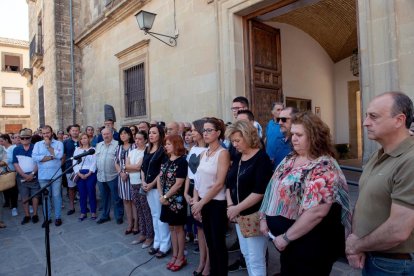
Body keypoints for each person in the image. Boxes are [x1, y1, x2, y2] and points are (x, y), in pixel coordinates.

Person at [259, 111, 351, 275]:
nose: (294, 138)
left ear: (315, 136)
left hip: (312, 245)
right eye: (292, 133)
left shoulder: (324, 166)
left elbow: (317, 211)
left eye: (299, 135)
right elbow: (272, 189)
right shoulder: (290, 158)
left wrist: (286, 237)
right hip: (288, 244)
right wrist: (264, 217)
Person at [345, 92, 414, 275]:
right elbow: (363, 201)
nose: (365, 122)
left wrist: (355, 245)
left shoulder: (410, 160)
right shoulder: (379, 154)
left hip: (395, 264)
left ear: (399, 120)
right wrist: (355, 238)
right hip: (372, 255)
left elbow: (398, 230)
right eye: (367, 115)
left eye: (373, 116)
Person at [225, 120, 273, 276]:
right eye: (232, 141)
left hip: (254, 216)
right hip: (238, 216)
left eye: (237, 140)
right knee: (246, 255)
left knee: (256, 259)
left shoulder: (261, 158)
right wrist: (231, 206)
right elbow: (229, 183)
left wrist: (235, 208)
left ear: (248, 136)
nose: (235, 144)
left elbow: (259, 191)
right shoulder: (239, 157)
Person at [192, 117, 230, 276]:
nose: (205, 133)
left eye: (209, 130)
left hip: (216, 204)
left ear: (218, 133)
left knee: (218, 244)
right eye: (204, 130)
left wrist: (201, 204)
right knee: (209, 242)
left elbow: (219, 183)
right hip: (203, 202)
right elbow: (197, 180)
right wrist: (196, 201)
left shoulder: (223, 153)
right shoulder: (204, 154)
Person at [158, 135, 188, 271]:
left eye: (169, 144)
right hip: (165, 199)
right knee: (171, 228)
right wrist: (161, 195)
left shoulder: (182, 162)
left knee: (178, 228)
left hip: (177, 201)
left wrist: (165, 196)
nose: (166, 146)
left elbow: (179, 184)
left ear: (176, 145)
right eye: (166, 144)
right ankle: (175, 255)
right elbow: (160, 178)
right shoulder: (166, 159)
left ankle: (181, 256)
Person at [184, 119, 210, 276]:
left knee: (206, 229)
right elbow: (189, 173)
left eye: (193, 130)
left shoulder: (209, 150)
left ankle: (209, 263)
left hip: (204, 191)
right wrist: (186, 192)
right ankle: (202, 260)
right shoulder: (193, 149)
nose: (191, 133)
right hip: (193, 189)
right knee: (199, 229)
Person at [141, 124, 171, 257]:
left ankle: (165, 245)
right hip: (147, 187)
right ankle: (157, 242)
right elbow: (143, 167)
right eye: (150, 133)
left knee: (160, 216)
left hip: (157, 188)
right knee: (154, 215)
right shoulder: (147, 149)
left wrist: (152, 183)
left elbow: (162, 171)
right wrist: (143, 182)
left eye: (154, 133)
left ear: (160, 135)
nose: (151, 135)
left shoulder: (162, 151)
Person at [32, 125, 64, 227]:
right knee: (45, 197)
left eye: (48, 133)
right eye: (44, 133)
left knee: (56, 196)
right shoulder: (37, 144)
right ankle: (47, 218)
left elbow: (59, 156)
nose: (46, 135)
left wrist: (49, 146)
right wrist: (51, 157)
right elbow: (35, 157)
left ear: (52, 132)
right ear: (41, 133)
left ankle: (58, 217)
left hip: (56, 174)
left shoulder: (58, 143)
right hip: (43, 175)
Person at [128, 131, 154, 248]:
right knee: (139, 209)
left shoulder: (146, 151)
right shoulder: (132, 151)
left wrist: (130, 167)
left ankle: (150, 236)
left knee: (146, 210)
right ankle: (143, 233)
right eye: (136, 139)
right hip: (132, 183)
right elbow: (126, 166)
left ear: (145, 140)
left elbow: (139, 167)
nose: (137, 141)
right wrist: (129, 167)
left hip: (141, 183)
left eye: (139, 139)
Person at [95, 127, 124, 224]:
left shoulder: (117, 144)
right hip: (101, 176)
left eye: (108, 134)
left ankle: (119, 216)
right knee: (104, 198)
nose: (106, 136)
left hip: (113, 176)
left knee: (116, 198)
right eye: (104, 134)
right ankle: (105, 215)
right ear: (101, 135)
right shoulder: (99, 145)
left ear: (112, 134)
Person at [13, 129, 40, 224]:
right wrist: (24, 175)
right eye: (22, 138)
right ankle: (27, 215)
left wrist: (32, 174)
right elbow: (15, 164)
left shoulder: (35, 148)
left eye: (27, 138)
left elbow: (38, 162)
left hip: (34, 176)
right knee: (24, 196)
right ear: (20, 139)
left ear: (30, 138)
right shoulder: (16, 149)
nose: (24, 139)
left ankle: (35, 214)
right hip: (22, 177)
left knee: (35, 196)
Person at [115, 127, 136, 234]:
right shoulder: (118, 147)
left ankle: (136, 224)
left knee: (133, 200)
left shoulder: (134, 147)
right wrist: (121, 173)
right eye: (121, 134)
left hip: (132, 176)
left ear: (129, 135)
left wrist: (127, 173)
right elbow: (116, 162)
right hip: (121, 177)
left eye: (125, 133)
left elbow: (135, 162)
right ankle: (129, 224)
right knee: (126, 201)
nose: (123, 135)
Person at [73, 132, 97, 221]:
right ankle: (83, 212)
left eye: (85, 138)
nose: (83, 140)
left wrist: (88, 173)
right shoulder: (77, 150)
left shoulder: (92, 149)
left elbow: (94, 162)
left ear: (88, 139)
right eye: (82, 138)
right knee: (82, 194)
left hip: (90, 173)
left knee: (91, 193)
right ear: (80, 140)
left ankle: (93, 211)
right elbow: (74, 163)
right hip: (80, 173)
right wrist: (79, 174)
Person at [63, 124, 80, 215]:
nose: (75, 132)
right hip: (70, 168)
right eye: (73, 130)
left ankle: (84, 206)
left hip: (82, 168)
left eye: (76, 130)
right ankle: (71, 206)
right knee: (71, 188)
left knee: (82, 188)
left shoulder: (82, 140)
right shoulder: (65, 142)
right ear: (69, 132)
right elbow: (64, 156)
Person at [0, 134, 18, 216]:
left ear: (7, 140)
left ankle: (14, 206)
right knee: (5, 188)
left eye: (1, 141)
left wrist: (3, 162)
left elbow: (11, 159)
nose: (0, 142)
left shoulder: (13, 148)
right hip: (3, 172)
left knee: (13, 189)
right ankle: (7, 202)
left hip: (12, 171)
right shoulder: (2, 148)